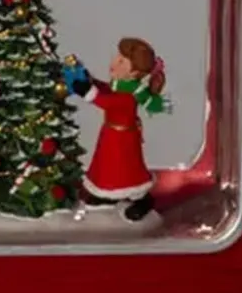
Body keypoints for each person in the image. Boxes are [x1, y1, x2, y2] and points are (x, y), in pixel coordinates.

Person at [62, 37, 171, 221]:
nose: (114, 62)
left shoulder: (130, 95)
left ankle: (139, 198)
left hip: (122, 139)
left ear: (134, 72)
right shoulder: (121, 86)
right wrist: (91, 82)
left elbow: (109, 101)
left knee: (123, 167)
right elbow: (107, 91)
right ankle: (106, 192)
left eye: (121, 61)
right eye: (117, 57)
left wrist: (88, 91)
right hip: (112, 134)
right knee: (107, 165)